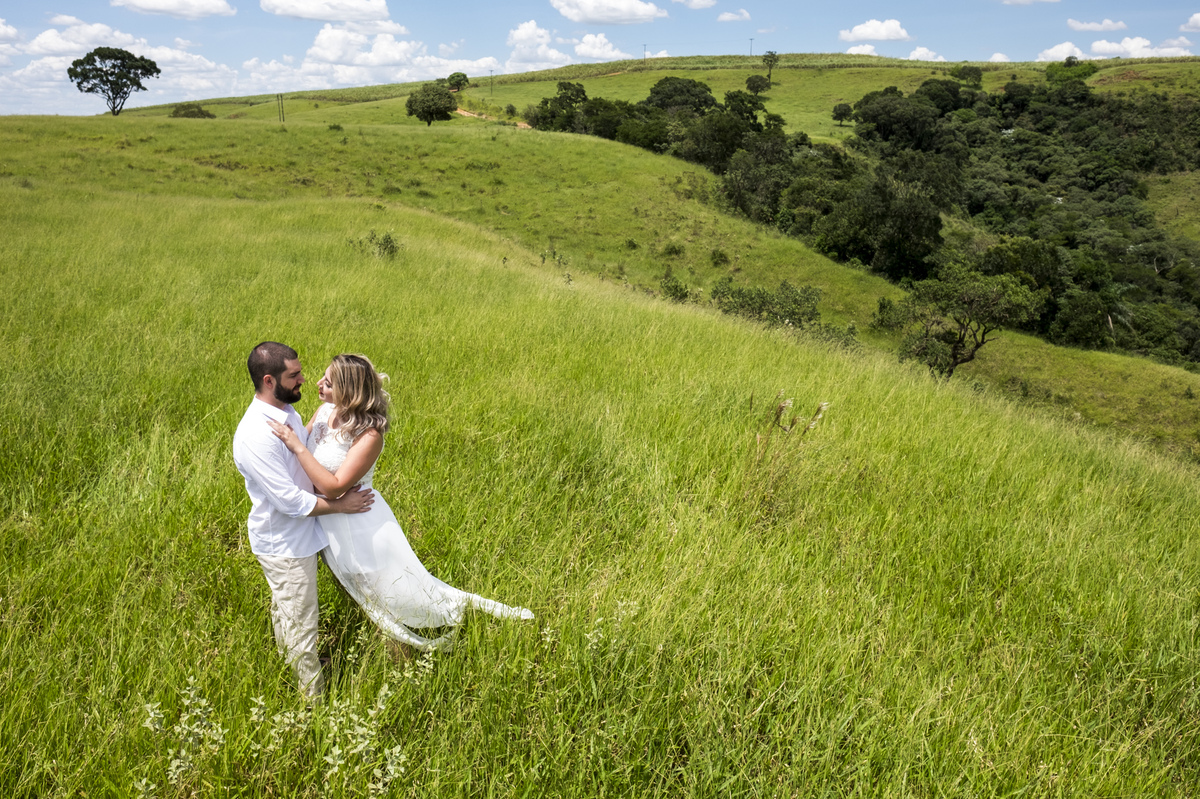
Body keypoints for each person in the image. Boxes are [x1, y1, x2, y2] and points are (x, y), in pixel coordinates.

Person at [266, 353, 533, 652]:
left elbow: (334, 486)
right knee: (353, 587)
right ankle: (375, 633)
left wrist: (296, 445)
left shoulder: (369, 436)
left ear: (349, 391)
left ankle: (449, 625)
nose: (318, 383)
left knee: (396, 593)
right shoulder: (325, 411)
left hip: (358, 520)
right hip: (328, 519)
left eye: (328, 383)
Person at [232, 342, 375, 700]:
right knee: (301, 623)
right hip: (285, 543)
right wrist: (341, 505)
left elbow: (311, 449)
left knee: (288, 610)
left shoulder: (287, 412)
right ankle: (314, 704)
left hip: (301, 536)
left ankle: (291, 663)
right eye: (294, 375)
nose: (303, 380)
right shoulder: (256, 436)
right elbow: (291, 502)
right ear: (269, 380)